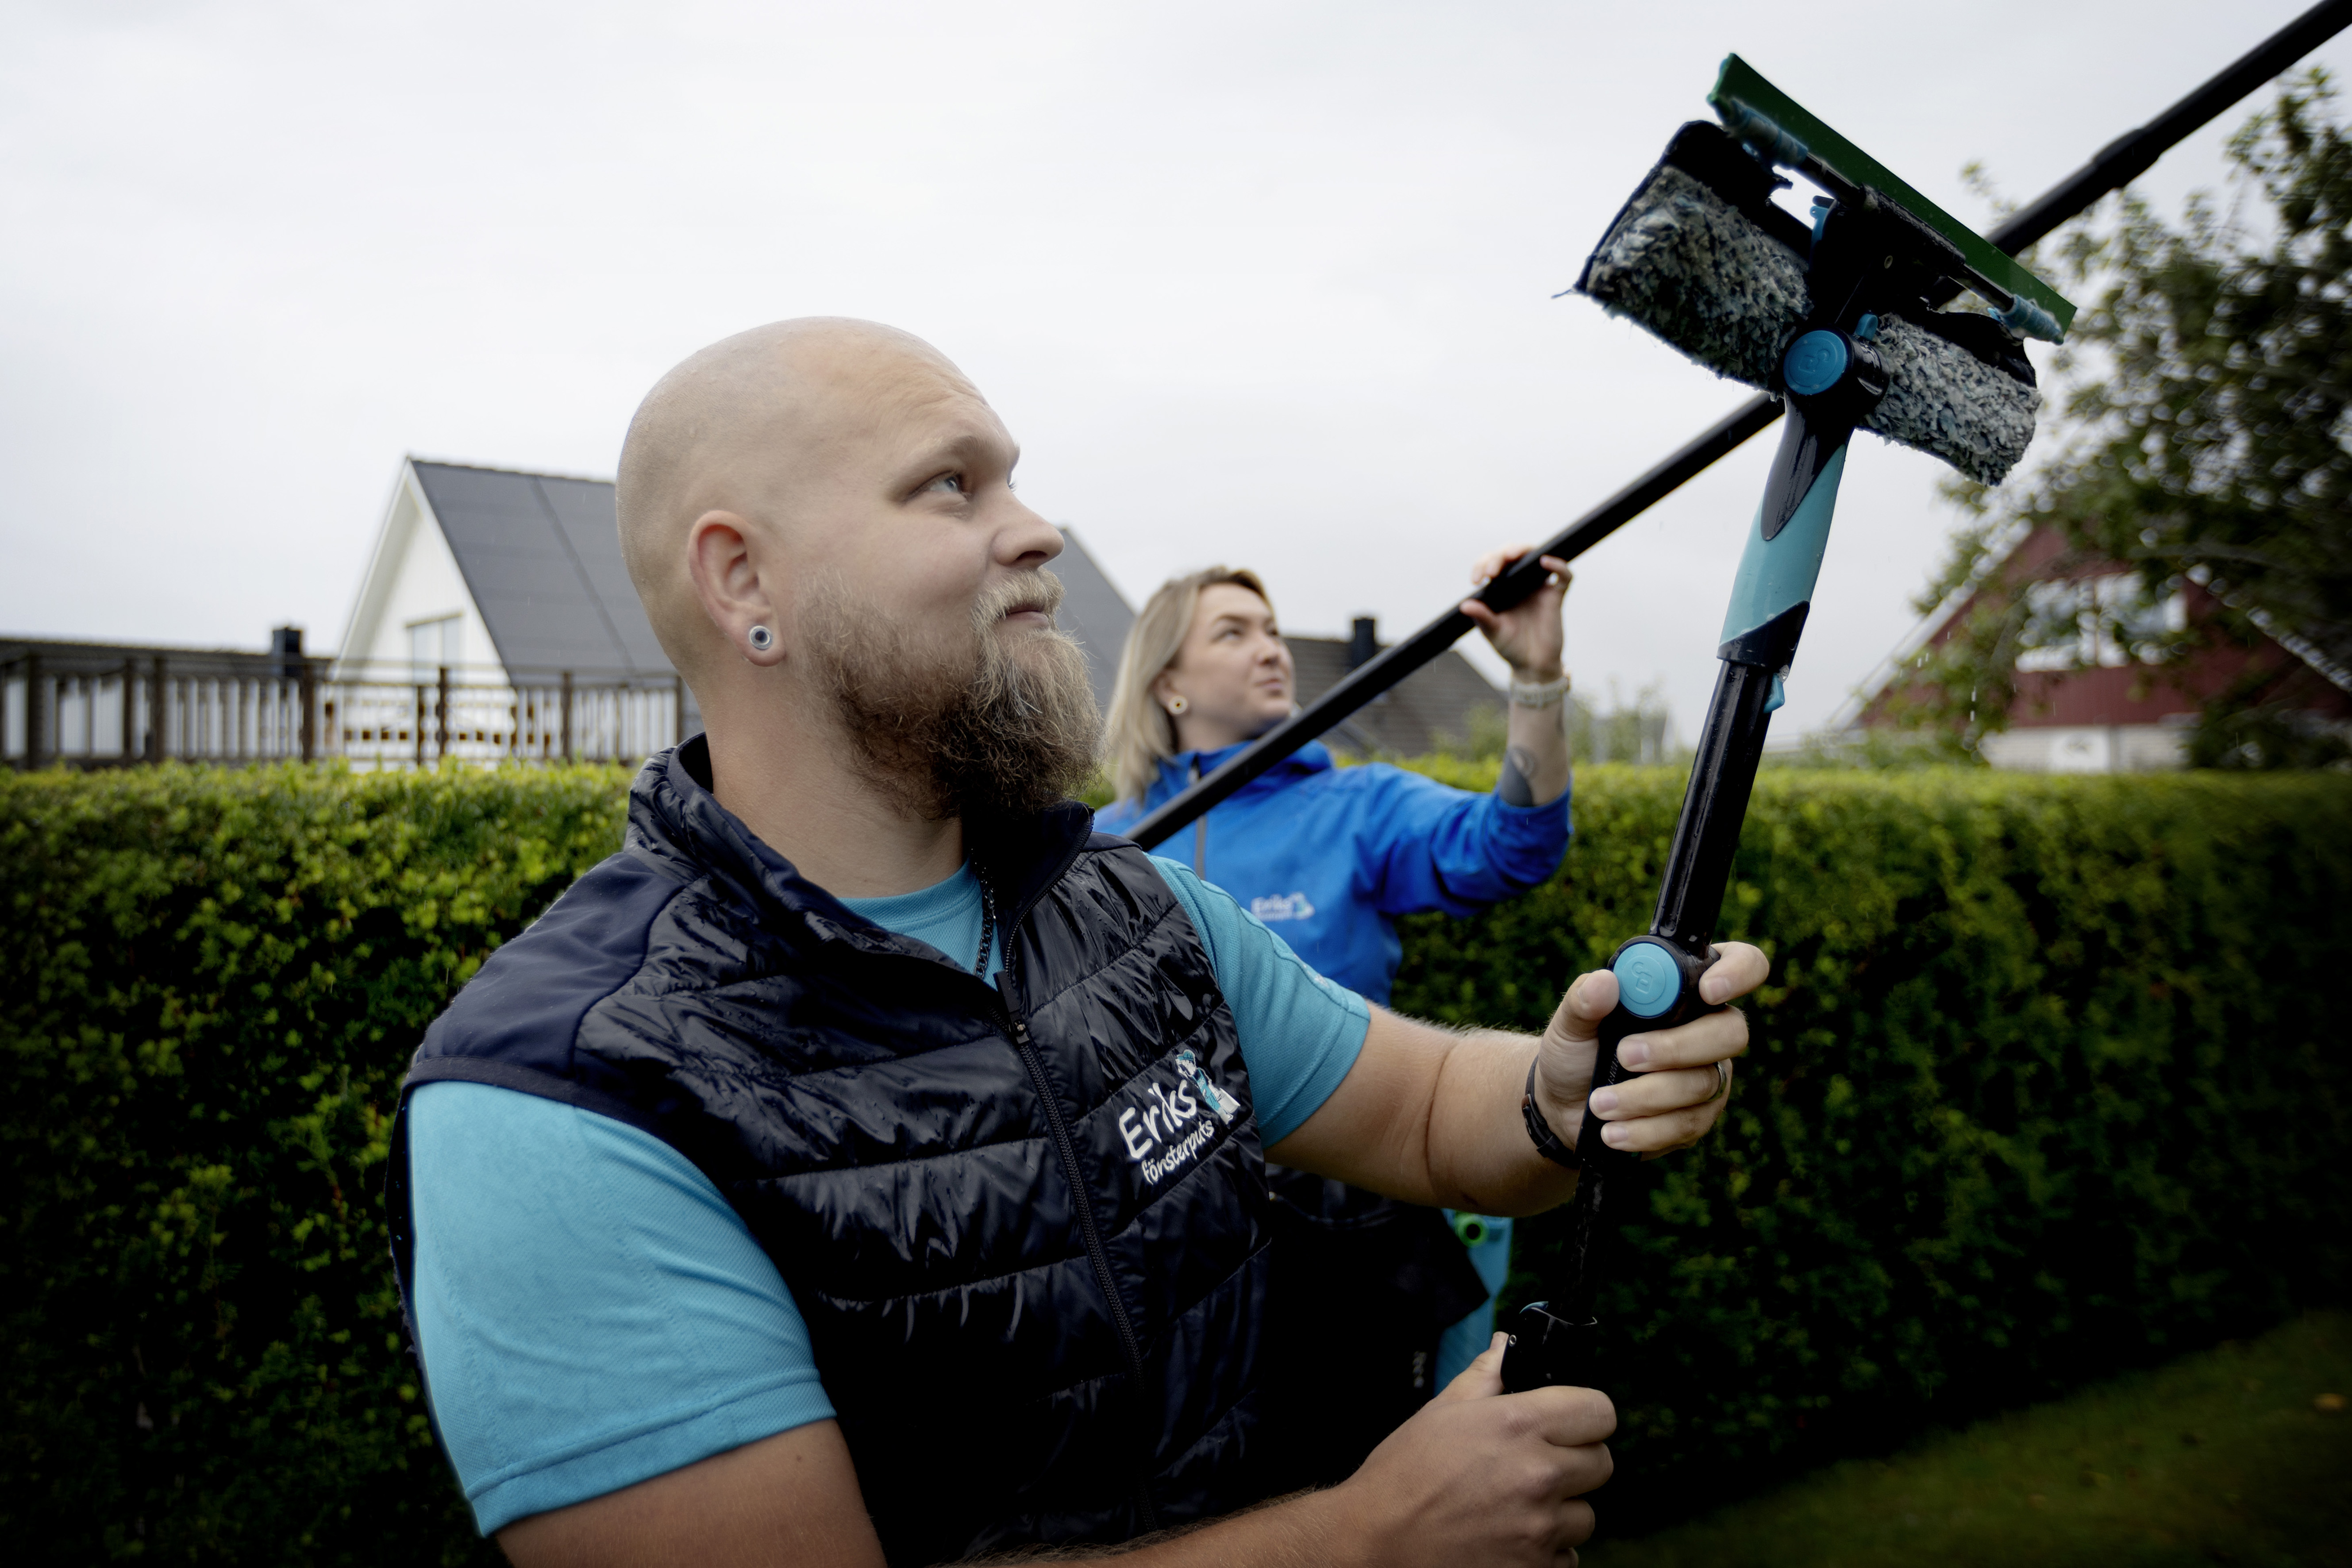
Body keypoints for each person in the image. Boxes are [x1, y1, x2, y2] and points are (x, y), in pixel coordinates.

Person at [387, 317, 1763, 1568]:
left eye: (1016, 482)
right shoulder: (561, 1097)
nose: (1038, 532)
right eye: (951, 485)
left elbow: (1425, 1112)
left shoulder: (1129, 910)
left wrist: (1559, 1091)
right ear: (743, 574)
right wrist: (1363, 1538)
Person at [1094, 558, 1576, 1484]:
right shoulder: (1114, 847)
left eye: (1271, 629)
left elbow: (1517, 844)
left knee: (1366, 1482)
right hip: (1172, 1224)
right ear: (1167, 682)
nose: (1271, 648)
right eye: (1232, 632)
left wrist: (1536, 679)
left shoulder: (1359, 806)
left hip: (1351, 1220)